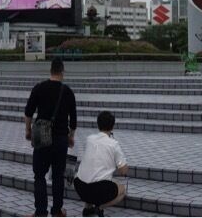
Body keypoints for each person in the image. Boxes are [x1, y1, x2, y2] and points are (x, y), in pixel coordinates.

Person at [24, 59, 79, 217]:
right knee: (57, 176)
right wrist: (71, 137)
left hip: (42, 137)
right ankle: (57, 211)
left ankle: (40, 212)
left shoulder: (39, 88)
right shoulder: (67, 92)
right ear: (62, 72)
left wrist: (28, 131)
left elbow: (28, 113)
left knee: (39, 175)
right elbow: (73, 121)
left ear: (51, 71)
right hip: (61, 140)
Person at [72, 111, 129, 217]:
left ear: (98, 125)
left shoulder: (89, 139)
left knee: (91, 176)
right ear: (112, 126)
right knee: (122, 190)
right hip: (99, 189)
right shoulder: (113, 144)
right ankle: (99, 208)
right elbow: (123, 170)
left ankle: (87, 208)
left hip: (79, 186)